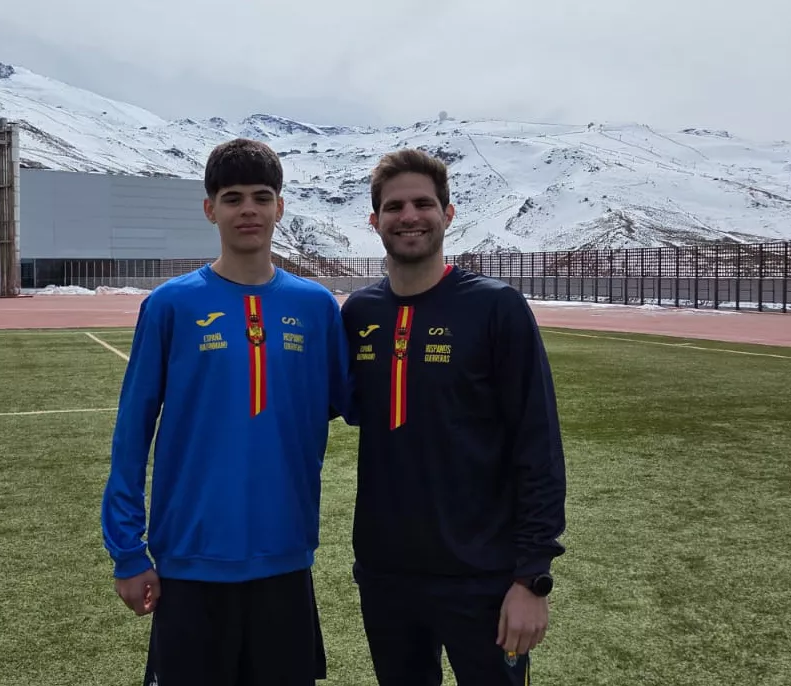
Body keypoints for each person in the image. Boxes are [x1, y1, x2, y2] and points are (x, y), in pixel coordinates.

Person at [100, 138, 351, 686]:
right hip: (190, 559)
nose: (249, 210)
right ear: (211, 208)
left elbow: (350, 404)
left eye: (262, 197)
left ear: (280, 208)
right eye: (233, 198)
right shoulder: (171, 305)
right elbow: (131, 432)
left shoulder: (315, 308)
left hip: (284, 558)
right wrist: (127, 550)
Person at [340, 148, 567, 685]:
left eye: (423, 203)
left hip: (482, 578)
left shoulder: (496, 308)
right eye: (394, 207)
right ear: (375, 221)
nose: (409, 215)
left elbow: (538, 445)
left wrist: (532, 578)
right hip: (385, 575)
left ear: (448, 213)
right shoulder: (359, 315)